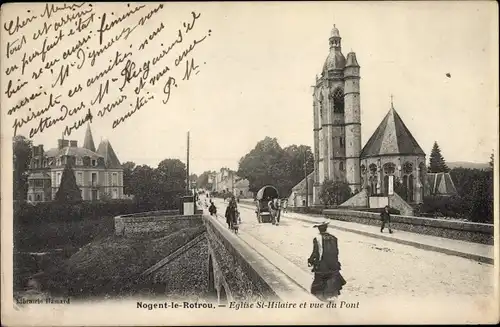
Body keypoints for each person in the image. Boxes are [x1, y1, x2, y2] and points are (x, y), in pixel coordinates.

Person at [308, 221, 346, 302]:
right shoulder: (334, 238)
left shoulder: (317, 239)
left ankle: (323, 301)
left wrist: (310, 260)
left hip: (322, 265)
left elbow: (315, 252)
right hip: (334, 265)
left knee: (317, 287)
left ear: (319, 229)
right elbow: (336, 252)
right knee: (332, 283)